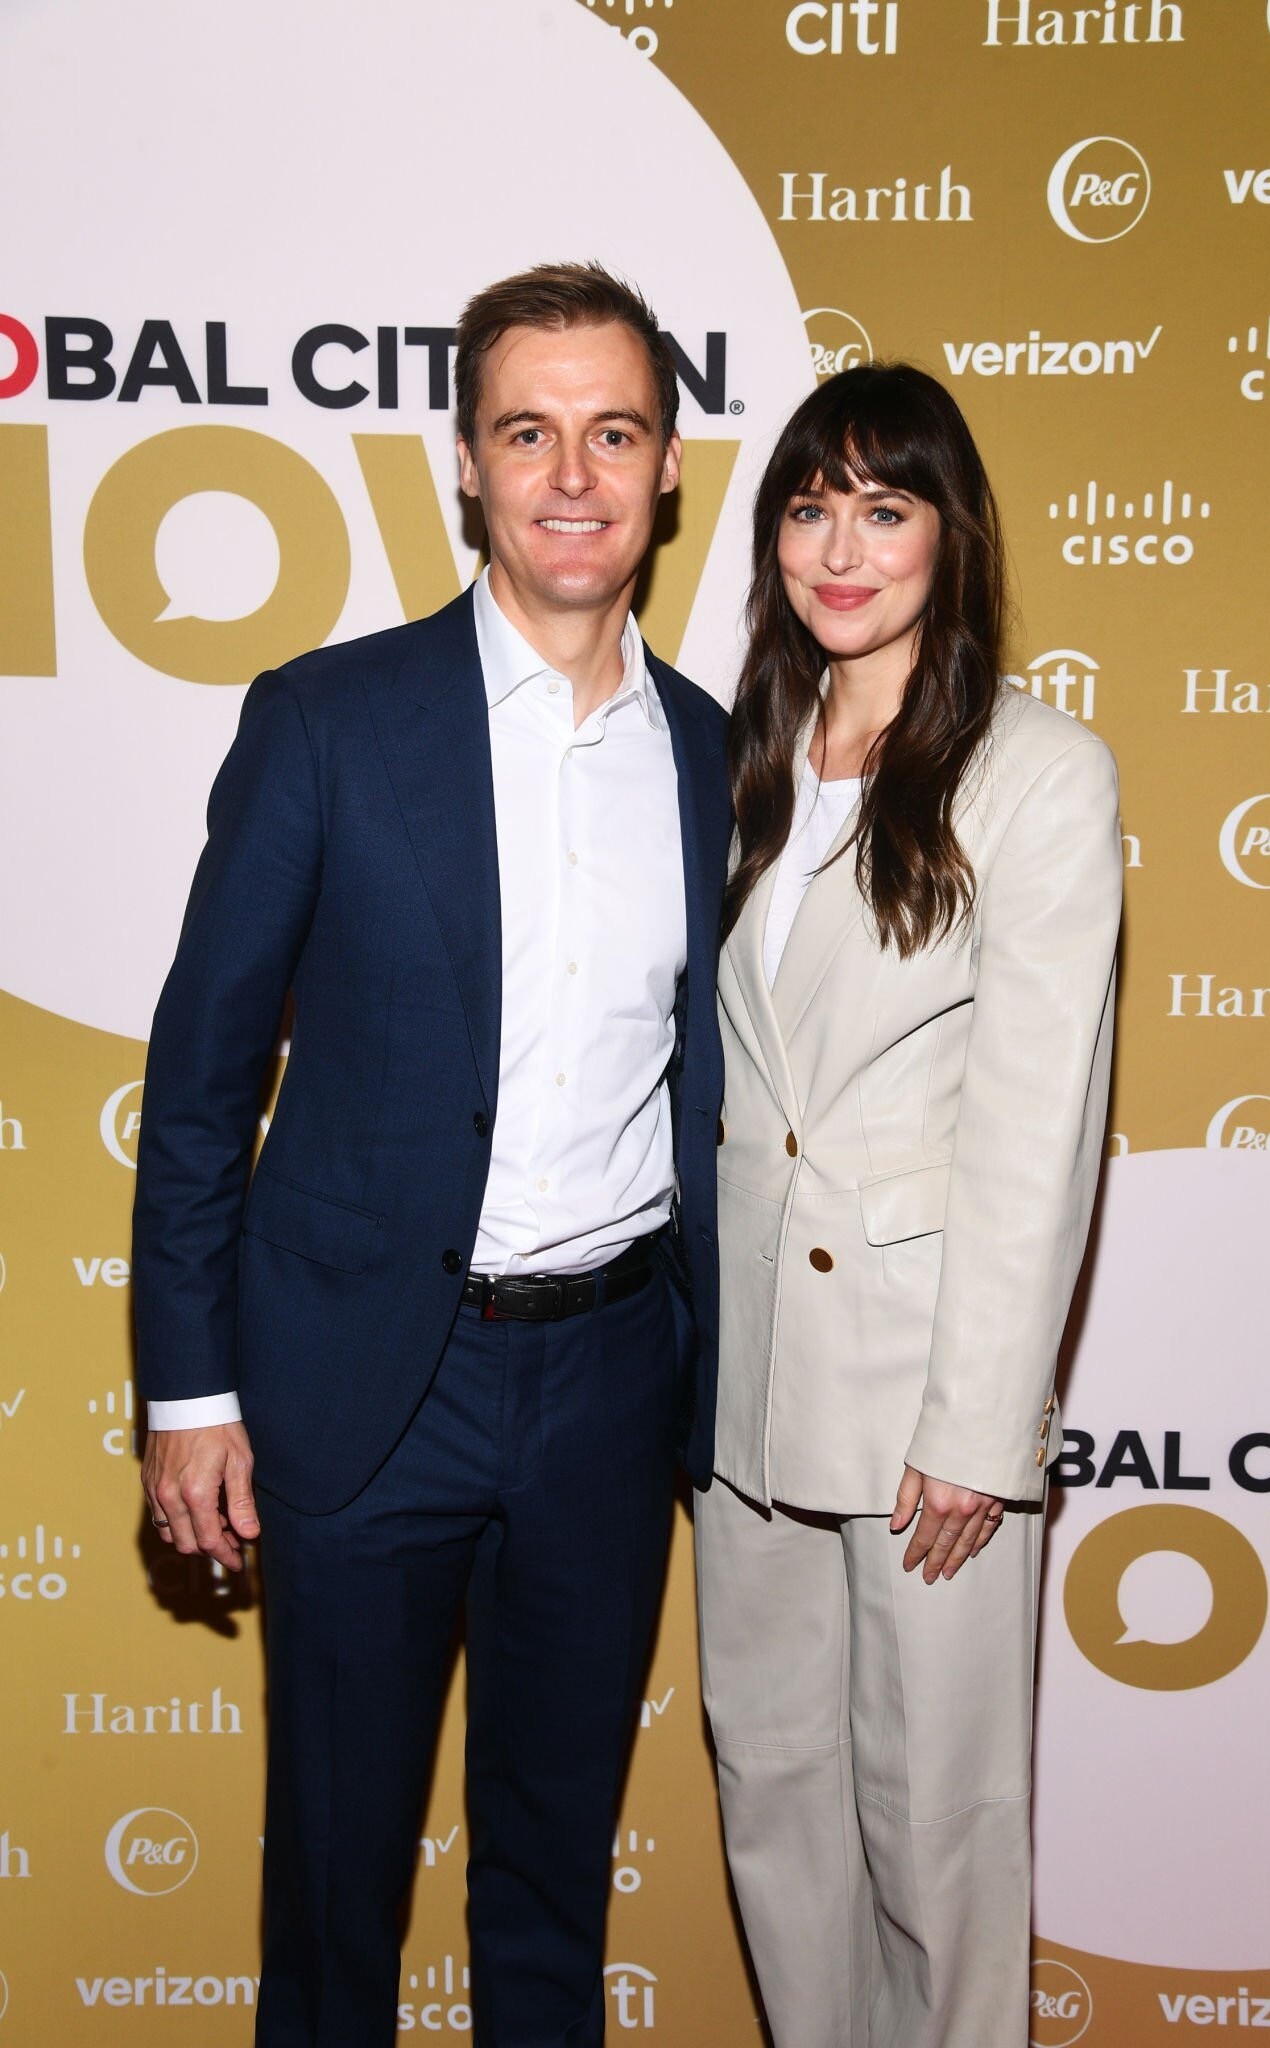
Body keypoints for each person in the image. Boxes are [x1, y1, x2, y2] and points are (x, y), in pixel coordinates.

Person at [132, 262, 729, 2048]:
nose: (572, 475)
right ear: (465, 465)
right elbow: (200, 1078)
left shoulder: (717, 756)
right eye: (527, 432)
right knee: (334, 1893)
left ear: (667, 467)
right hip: (359, 1384)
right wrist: (189, 1393)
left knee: (552, 1884)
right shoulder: (326, 719)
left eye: (613, 432)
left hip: (609, 1383)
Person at [694, 362, 1122, 2048]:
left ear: (950, 535)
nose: (840, 549)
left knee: (939, 1819)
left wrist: (978, 1427)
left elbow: (1037, 1122)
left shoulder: (1037, 771)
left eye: (883, 510)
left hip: (920, 1393)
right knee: (774, 1793)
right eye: (809, 509)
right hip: (739, 1381)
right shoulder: (734, 757)